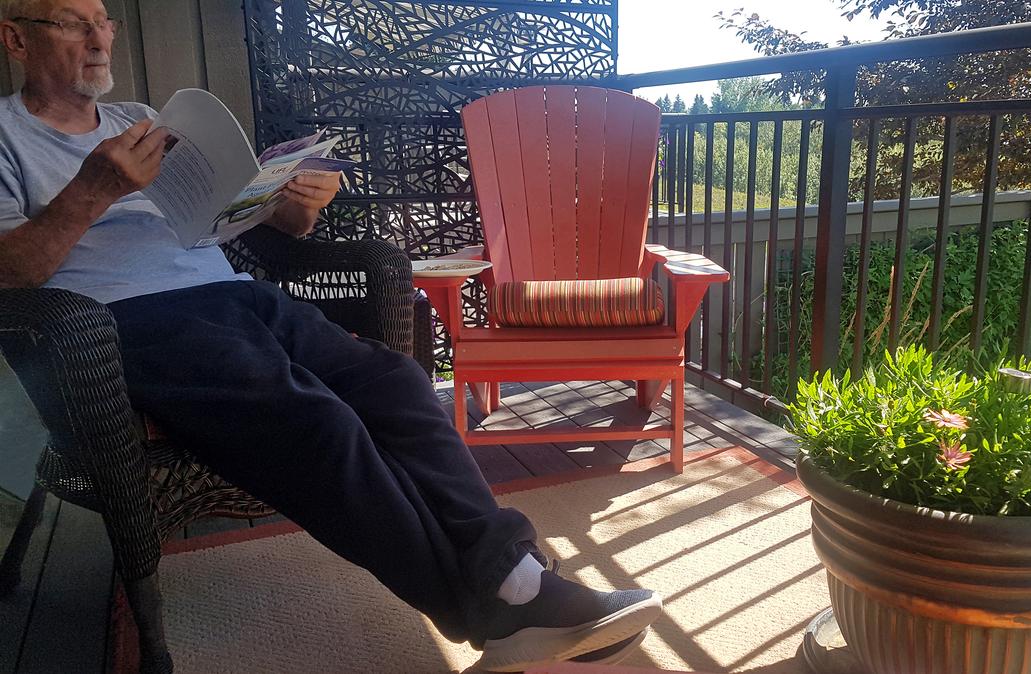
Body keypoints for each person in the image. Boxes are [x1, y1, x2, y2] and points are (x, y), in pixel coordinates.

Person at [0, 0, 663, 671]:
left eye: (104, 21)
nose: (97, 37)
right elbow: (10, 271)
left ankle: (512, 587)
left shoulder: (136, 123)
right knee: (317, 422)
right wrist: (93, 190)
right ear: (16, 37)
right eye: (70, 21)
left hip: (234, 294)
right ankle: (505, 602)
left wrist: (289, 206)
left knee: (396, 382)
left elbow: (235, 222)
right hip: (123, 320)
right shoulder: (5, 138)